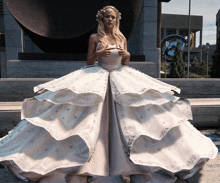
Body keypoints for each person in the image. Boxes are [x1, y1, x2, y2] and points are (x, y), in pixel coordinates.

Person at [0, 5, 218, 183]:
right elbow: (88, 61)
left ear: (117, 19)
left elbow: (125, 62)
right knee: (90, 119)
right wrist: (98, 53)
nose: (110, 21)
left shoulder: (122, 37)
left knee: (129, 119)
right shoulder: (95, 37)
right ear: (102, 19)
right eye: (107, 18)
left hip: (120, 77)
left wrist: (127, 54)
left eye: (113, 17)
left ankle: (130, 164)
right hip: (97, 76)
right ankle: (87, 162)